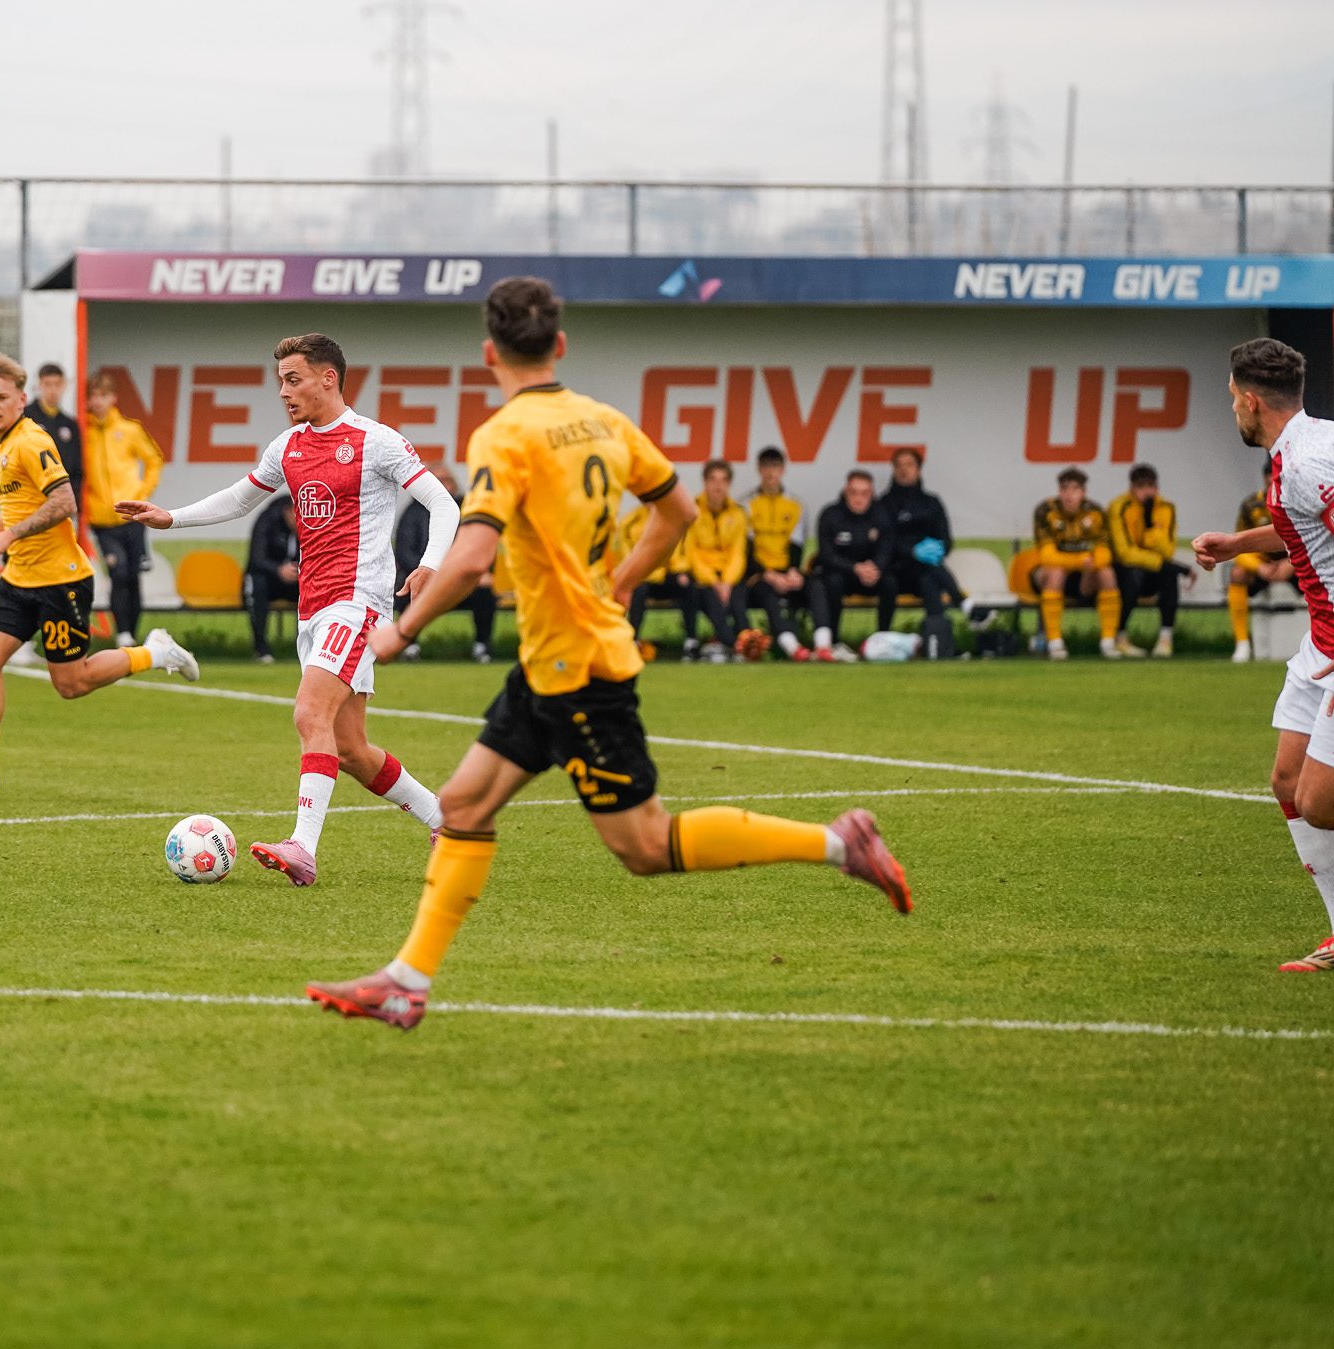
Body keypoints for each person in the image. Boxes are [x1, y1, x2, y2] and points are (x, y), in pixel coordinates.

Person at [303, 276, 910, 1029]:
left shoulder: (504, 435)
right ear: (560, 345)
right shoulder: (602, 420)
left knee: (646, 845)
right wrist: (619, 581)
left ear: (490, 353)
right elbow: (678, 510)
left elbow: (469, 557)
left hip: (580, 672)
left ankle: (838, 841)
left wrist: (404, 628)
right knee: (463, 805)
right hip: (549, 659)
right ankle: (406, 981)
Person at [117, 333, 460, 886]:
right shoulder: (289, 447)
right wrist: (170, 518)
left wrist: (431, 563)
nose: (284, 391)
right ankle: (447, 819)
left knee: (308, 714)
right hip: (312, 610)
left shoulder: (377, 442)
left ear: (329, 377)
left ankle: (303, 847)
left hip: (358, 604)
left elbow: (442, 503)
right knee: (349, 748)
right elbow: (239, 498)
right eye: (280, 381)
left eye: (293, 379)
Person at [0, 354, 198, 799]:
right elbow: (19, 509)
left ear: (21, 399)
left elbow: (64, 503)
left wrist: (9, 534)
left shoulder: (31, 441)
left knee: (71, 684)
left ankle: (154, 652)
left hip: (61, 580)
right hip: (20, 578)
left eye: (1, 397)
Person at [1191, 337, 1334, 972]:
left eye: (1231, 401)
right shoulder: (1303, 450)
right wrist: (1235, 545)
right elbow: (1300, 522)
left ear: (1251, 401)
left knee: (1321, 803)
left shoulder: (1308, 465)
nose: (1232, 412)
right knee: (1285, 782)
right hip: (1319, 644)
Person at [81, 371, 166, 647]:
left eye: (103, 395)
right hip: (102, 519)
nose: (98, 401)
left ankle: (132, 632)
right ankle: (123, 633)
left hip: (131, 515)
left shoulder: (129, 429)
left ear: (113, 398)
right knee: (117, 573)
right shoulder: (85, 433)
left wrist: (142, 493)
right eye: (94, 396)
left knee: (133, 574)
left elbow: (154, 459)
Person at [396, 467, 497, 662]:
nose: (444, 485)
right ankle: (409, 645)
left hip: (460, 580)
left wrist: (481, 571)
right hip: (424, 580)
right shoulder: (413, 512)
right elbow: (404, 551)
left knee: (485, 593)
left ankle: (482, 647)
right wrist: (425, 570)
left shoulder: (467, 508)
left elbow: (482, 541)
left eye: (447, 480)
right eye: (438, 480)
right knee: (406, 590)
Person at [1032, 468, 1125, 660]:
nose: (1069, 495)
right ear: (1059, 491)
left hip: (1085, 576)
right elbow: (1047, 556)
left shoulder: (1096, 512)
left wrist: (1092, 564)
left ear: (1083, 492)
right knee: (1056, 572)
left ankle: (1108, 641)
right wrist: (1080, 561)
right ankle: (1055, 642)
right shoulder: (1046, 511)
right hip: (1052, 575)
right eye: (1065, 489)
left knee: (1107, 573)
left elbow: (1105, 552)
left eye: (1074, 490)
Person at [875, 448, 959, 658]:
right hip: (896, 570)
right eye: (899, 465)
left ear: (919, 470)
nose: (904, 470)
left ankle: (936, 644)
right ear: (894, 470)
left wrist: (938, 549)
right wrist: (911, 551)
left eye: (909, 465)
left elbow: (946, 540)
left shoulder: (932, 503)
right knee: (890, 582)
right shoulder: (885, 504)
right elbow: (886, 543)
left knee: (929, 578)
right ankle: (881, 639)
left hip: (924, 570)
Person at [806, 471, 891, 662]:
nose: (858, 498)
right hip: (842, 573)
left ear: (872, 494)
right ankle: (833, 642)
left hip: (871, 576)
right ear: (846, 491)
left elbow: (887, 547)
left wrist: (876, 567)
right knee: (833, 582)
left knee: (890, 583)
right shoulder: (830, 514)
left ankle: (883, 640)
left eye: (864, 493)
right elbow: (827, 555)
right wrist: (855, 568)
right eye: (854, 492)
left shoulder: (880, 515)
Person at [1106, 463, 1189, 659]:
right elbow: (1125, 553)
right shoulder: (1119, 507)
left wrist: (1150, 523)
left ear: (1156, 488)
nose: (1145, 492)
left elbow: (1167, 550)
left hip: (1152, 570)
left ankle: (1165, 638)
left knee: (1169, 576)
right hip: (1124, 571)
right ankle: (1121, 636)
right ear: (1132, 488)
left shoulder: (1166, 508)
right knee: (1134, 572)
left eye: (1149, 486)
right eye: (1140, 487)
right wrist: (1164, 564)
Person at [744, 447, 808, 659]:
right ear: (759, 470)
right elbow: (747, 550)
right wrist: (768, 574)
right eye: (766, 467)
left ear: (783, 470)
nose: (771, 473)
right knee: (767, 592)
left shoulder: (796, 504)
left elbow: (797, 546)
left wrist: (792, 572)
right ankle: (792, 647)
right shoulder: (746, 504)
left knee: (817, 585)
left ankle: (826, 643)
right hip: (759, 573)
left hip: (785, 570)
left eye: (775, 467)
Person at [683, 460, 749, 661]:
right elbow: (690, 551)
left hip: (729, 576)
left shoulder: (738, 513)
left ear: (729, 484)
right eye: (712, 479)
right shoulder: (692, 510)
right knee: (708, 595)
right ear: (704, 482)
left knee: (738, 598)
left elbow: (738, 552)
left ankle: (745, 639)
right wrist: (713, 580)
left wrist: (727, 582)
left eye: (723, 480)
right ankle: (733, 644)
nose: (717, 485)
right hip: (703, 576)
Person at [1227, 459, 1291, 664]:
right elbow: (1238, 544)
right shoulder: (1251, 505)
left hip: (1296, 562)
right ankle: (1242, 644)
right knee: (1237, 573)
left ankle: (1326, 643)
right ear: (1265, 480)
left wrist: (1293, 564)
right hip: (1264, 563)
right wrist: (1260, 567)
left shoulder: (1299, 501)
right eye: (1271, 480)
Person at [30, 363, 85, 531]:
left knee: (63, 556)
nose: (52, 390)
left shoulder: (70, 424)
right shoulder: (26, 418)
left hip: (63, 507)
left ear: (64, 386)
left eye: (57, 384)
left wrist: (73, 502)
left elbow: (77, 470)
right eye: (47, 385)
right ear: (39, 385)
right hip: (33, 505)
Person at [245, 494, 299, 664]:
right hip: (270, 581)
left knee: (317, 585)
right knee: (256, 583)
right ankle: (261, 649)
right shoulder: (267, 520)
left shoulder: (313, 523)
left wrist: (302, 569)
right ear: (287, 512)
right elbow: (256, 559)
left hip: (299, 580)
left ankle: (310, 647)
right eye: (297, 514)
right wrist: (278, 570)